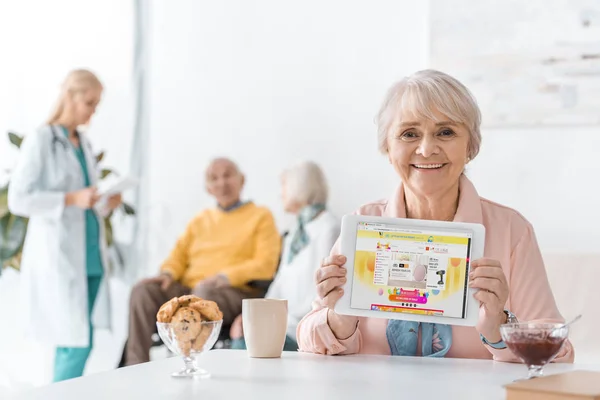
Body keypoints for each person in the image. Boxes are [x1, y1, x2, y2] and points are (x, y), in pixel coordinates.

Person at [296, 69, 575, 362]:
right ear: (388, 148)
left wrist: (500, 327)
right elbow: (307, 340)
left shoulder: (511, 231)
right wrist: (339, 318)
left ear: (470, 146)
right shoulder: (362, 224)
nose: (427, 149)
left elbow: (559, 353)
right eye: (409, 134)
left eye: (446, 132)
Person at [8, 69, 122, 381]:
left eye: (97, 104)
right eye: (89, 102)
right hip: (60, 257)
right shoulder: (41, 140)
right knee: (74, 342)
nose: (93, 111)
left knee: (78, 340)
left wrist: (104, 203)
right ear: (69, 96)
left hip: (90, 256)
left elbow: (87, 199)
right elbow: (19, 199)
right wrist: (70, 199)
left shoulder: (82, 143)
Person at [123, 157, 281, 365]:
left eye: (228, 175)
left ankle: (191, 364)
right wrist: (167, 274)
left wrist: (224, 277)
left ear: (242, 180)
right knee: (143, 291)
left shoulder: (261, 216)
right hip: (192, 288)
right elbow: (178, 255)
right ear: (208, 188)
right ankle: (135, 367)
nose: (222, 183)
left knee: (202, 296)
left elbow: (266, 264)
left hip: (233, 291)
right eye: (214, 178)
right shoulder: (200, 220)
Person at [229, 161, 340, 351]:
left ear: (300, 186)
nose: (281, 193)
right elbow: (280, 283)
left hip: (303, 329)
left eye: (284, 186)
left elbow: (324, 292)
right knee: (242, 337)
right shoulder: (296, 232)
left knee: (243, 346)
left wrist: (273, 322)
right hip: (283, 324)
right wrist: (252, 315)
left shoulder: (329, 228)